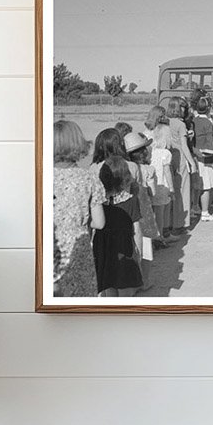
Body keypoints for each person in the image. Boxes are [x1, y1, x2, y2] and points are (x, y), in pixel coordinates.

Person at [52, 120, 106, 298]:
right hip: (78, 248)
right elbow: (99, 223)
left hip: (49, 245)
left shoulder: (41, 176)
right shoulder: (88, 178)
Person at [93, 155, 144, 297]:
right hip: (124, 250)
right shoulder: (131, 201)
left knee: (108, 288)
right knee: (126, 291)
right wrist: (139, 253)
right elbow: (137, 230)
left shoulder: (99, 201)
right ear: (125, 176)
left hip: (103, 249)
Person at [124, 130, 160, 261]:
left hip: (129, 208)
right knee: (145, 246)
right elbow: (153, 192)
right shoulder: (148, 170)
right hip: (144, 209)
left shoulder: (126, 168)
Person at [166, 96, 194, 233]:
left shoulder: (165, 122)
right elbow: (184, 146)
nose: (184, 109)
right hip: (180, 159)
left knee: (171, 191)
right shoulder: (181, 124)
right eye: (182, 107)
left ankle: (169, 223)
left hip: (168, 158)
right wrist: (192, 163)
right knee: (182, 191)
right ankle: (180, 223)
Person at [191, 96, 213, 222]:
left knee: (197, 185)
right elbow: (210, 142)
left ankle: (195, 207)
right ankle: (205, 212)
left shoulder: (194, 120)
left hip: (195, 154)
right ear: (208, 108)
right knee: (206, 186)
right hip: (206, 155)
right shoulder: (208, 123)